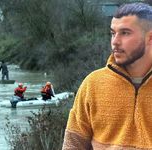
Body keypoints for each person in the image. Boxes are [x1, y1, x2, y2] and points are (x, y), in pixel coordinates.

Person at [62, 2, 152, 149]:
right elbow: (73, 144)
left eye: (125, 33)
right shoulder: (93, 84)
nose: (115, 42)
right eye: (113, 33)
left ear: (150, 38)